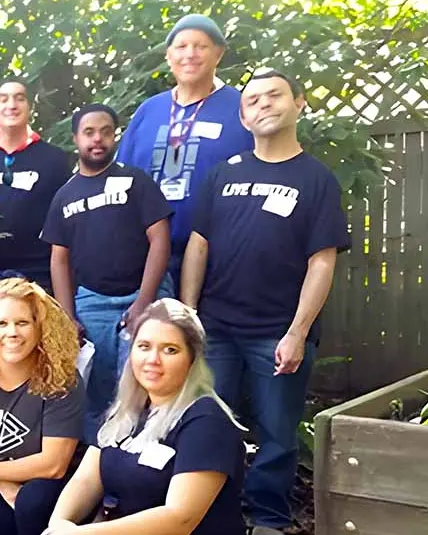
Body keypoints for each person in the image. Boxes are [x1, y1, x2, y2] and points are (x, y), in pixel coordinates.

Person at [179, 70, 350, 534]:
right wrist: (189, 314)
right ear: (243, 117)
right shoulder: (225, 173)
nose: (263, 105)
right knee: (210, 424)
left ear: (299, 103)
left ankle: (268, 519)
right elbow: (198, 244)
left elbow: (322, 261)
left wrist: (297, 332)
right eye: (252, 100)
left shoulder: (316, 179)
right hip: (216, 328)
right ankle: (212, 514)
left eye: (274, 95)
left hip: (277, 332)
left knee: (277, 433)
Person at [44, 299, 246, 535]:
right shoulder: (127, 410)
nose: (153, 359)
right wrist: (58, 524)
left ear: (192, 359)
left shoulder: (207, 422)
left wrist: (80, 534)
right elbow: (86, 480)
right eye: (144, 346)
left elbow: (180, 519)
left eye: (170, 350)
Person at [41, 104, 173, 441]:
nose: (97, 139)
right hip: (93, 301)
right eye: (89, 132)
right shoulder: (64, 195)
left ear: (115, 136)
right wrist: (67, 317)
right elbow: (59, 260)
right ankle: (99, 461)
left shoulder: (136, 181)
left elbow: (160, 239)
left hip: (145, 294)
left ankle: (144, 457)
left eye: (105, 131)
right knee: (96, 391)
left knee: (148, 383)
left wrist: (144, 302)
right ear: (75, 139)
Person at [115, 14, 254, 287]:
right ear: (168, 56)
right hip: (145, 259)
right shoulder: (148, 111)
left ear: (218, 53)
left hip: (218, 259)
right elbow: (122, 178)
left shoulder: (242, 109)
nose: (190, 54)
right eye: (181, 47)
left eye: (200, 46)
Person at [0, 278, 86, 535]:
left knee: (33, 502)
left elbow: (53, 464)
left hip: (47, 483)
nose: (12, 332)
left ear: (40, 328)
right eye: (1, 323)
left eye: (22, 323)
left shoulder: (62, 379)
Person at [0, 79, 72, 298]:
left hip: (39, 275)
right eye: (4, 99)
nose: (12, 105)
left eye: (19, 98)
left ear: (30, 107)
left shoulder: (55, 159)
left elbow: (66, 220)